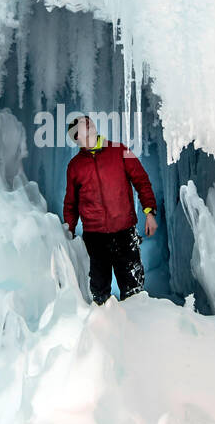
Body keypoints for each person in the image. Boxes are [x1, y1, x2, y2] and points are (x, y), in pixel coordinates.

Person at [62, 113, 158, 304]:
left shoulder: (119, 150)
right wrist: (68, 232)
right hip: (95, 240)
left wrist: (149, 212)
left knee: (134, 292)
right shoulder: (75, 166)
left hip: (125, 233)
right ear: (76, 137)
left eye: (87, 120)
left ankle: (139, 329)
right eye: (81, 123)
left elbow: (141, 180)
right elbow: (70, 204)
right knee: (99, 294)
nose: (86, 122)